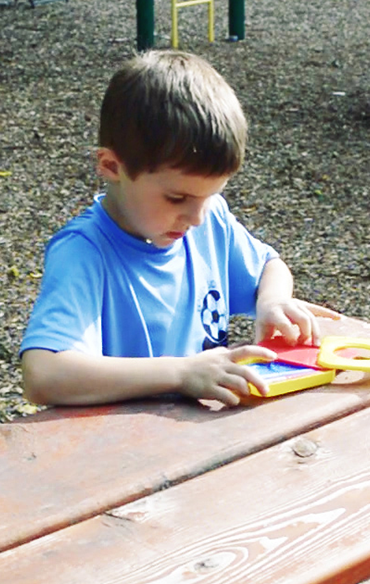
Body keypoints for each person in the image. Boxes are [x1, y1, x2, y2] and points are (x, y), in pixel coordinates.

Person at [20, 49, 331, 408]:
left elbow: (269, 266)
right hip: (121, 438)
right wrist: (182, 373)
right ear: (112, 166)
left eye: (211, 196)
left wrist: (273, 302)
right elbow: (43, 375)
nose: (196, 217)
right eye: (176, 198)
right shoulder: (84, 252)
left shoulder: (209, 221)